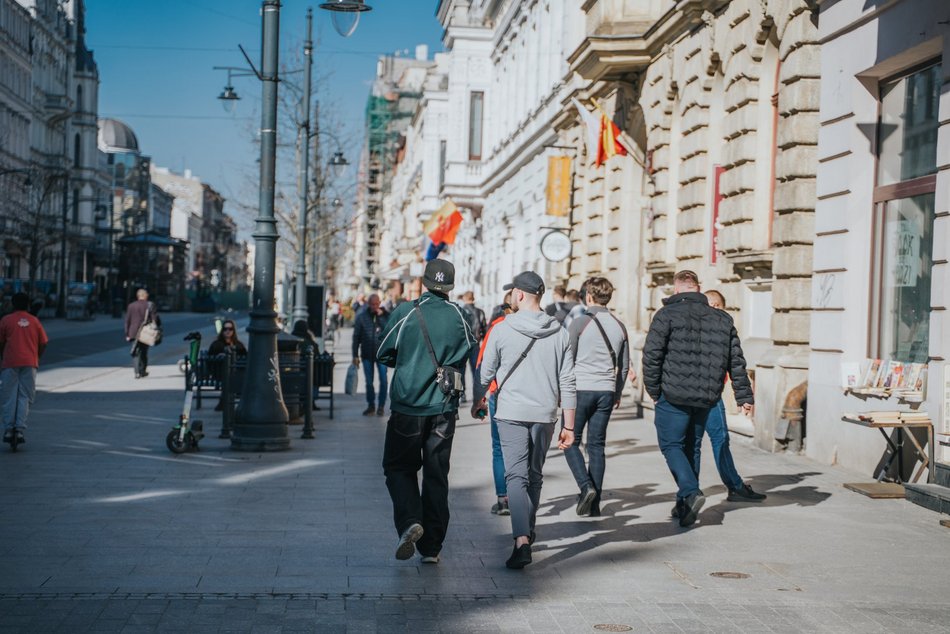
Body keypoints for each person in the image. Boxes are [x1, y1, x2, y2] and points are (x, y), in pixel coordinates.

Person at [376, 259, 476, 564]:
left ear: (424, 282)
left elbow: (382, 352)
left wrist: (408, 362)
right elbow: (469, 347)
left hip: (408, 405)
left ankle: (410, 521)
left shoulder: (406, 312)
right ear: (450, 286)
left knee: (398, 467)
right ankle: (432, 547)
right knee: (436, 473)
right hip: (444, 407)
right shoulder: (458, 314)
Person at [474, 271, 576, 569]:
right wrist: (569, 425)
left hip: (511, 413)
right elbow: (568, 381)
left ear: (518, 295)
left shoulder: (502, 328)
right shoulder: (559, 331)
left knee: (516, 477)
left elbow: (485, 373)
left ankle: (521, 540)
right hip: (545, 414)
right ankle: (528, 529)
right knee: (535, 475)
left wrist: (479, 399)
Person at [642, 270, 754, 528]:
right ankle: (684, 505)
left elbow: (652, 357)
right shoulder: (722, 319)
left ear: (676, 289)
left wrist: (654, 392)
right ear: (698, 288)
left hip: (674, 394)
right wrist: (744, 395)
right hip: (707, 395)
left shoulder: (666, 315)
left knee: (671, 445)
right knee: (692, 447)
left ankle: (691, 491)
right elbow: (736, 360)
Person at [563, 277, 630, 517]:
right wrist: (617, 392)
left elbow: (567, 359)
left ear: (589, 297)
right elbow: (624, 365)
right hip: (606, 391)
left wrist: (562, 392)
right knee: (597, 445)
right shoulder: (619, 326)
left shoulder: (579, 323)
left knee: (569, 440)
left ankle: (586, 487)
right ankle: (595, 504)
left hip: (580, 389)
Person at [693, 290, 766, 503]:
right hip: (696, 396)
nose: (713, 310)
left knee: (719, 439)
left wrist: (744, 396)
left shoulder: (722, 328)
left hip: (711, 394)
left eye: (717, 307)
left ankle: (733, 486)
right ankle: (691, 492)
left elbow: (736, 363)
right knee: (698, 442)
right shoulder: (695, 328)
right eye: (711, 306)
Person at [470, 299, 517, 516]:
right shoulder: (543, 326)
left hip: (500, 393)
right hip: (530, 396)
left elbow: (482, 365)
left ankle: (503, 499)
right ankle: (523, 499)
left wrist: (479, 399)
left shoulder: (498, 327)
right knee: (524, 450)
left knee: (499, 447)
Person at [0, 293, 48, 445]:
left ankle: (9, 429)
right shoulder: (34, 321)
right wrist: (37, 356)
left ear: (13, 304)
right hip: (29, 362)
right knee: (25, 396)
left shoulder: (6, 320)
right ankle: (19, 429)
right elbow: (44, 342)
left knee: (9, 396)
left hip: (10, 362)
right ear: (28, 304)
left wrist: (2, 355)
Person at [352, 293, 389, 416]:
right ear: (368, 304)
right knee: (369, 382)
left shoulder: (386, 315)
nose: (374, 306)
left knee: (383, 380)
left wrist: (381, 317)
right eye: (372, 304)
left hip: (382, 354)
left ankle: (381, 406)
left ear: (380, 303)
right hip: (367, 354)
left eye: (376, 304)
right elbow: (356, 337)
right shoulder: (362, 317)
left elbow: (389, 331)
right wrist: (355, 355)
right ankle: (371, 405)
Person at [125, 289, 160, 379]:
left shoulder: (131, 305)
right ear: (145, 295)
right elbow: (155, 318)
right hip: (145, 332)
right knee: (144, 351)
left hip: (133, 332)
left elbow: (127, 320)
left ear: (138, 296)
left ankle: (137, 372)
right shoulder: (150, 305)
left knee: (136, 351)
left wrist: (127, 334)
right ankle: (142, 370)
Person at [459, 291, 488, 403]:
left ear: (464, 298)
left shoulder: (460, 311)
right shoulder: (480, 312)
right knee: (476, 370)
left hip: (463, 345)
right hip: (475, 344)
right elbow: (484, 330)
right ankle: (478, 394)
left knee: (461, 370)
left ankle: (462, 394)